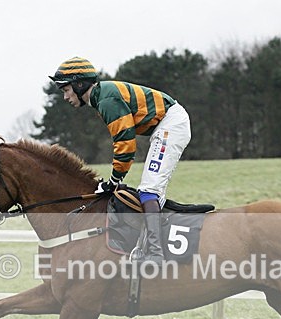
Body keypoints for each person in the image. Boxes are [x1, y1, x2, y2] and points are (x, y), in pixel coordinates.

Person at [49, 56, 191, 264]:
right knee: (151, 190)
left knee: (149, 190)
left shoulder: (106, 99)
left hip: (171, 124)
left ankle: (156, 253)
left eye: (66, 90)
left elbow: (125, 143)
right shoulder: (101, 97)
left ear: (79, 84)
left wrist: (114, 180)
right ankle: (151, 246)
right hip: (169, 123)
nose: (65, 97)